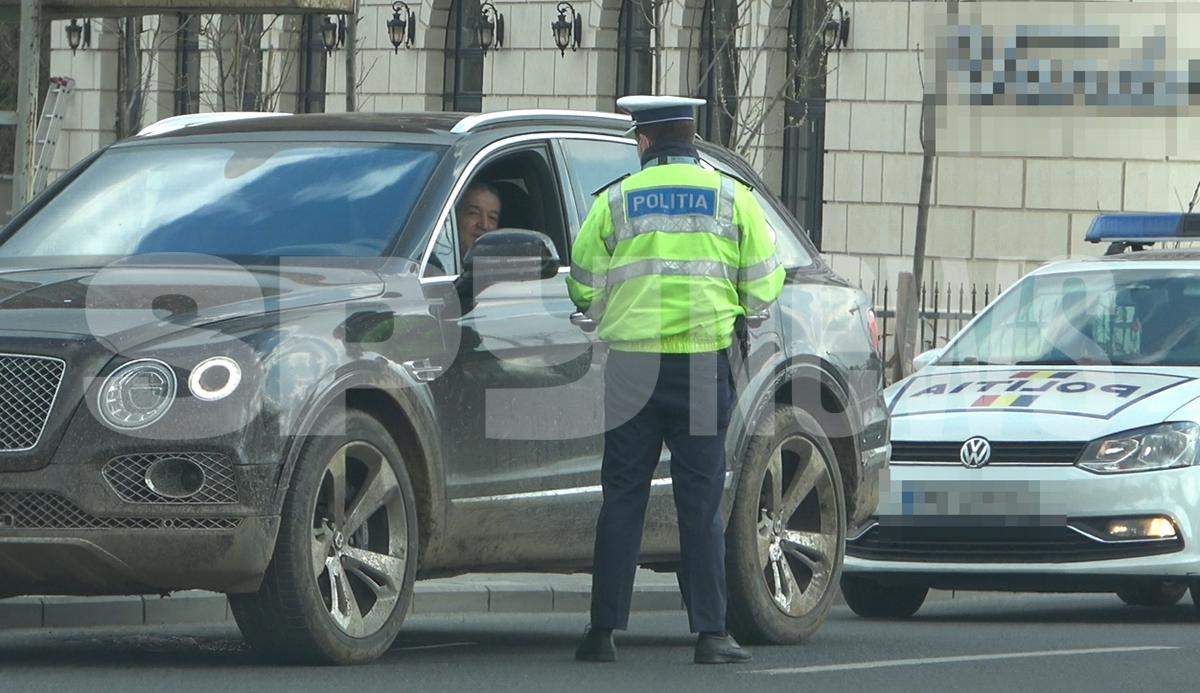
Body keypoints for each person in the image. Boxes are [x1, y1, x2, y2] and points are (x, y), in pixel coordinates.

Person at [566, 95, 784, 665]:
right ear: (690, 137)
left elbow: (583, 282)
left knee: (622, 497)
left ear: (644, 140)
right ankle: (711, 634)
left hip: (632, 365)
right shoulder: (731, 197)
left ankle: (602, 633)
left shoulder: (614, 200)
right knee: (700, 499)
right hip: (702, 364)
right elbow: (763, 283)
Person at [456, 182, 502, 258]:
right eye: (474, 213)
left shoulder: (504, 268)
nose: (484, 225)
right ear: (456, 217)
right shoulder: (434, 265)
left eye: (492, 217)